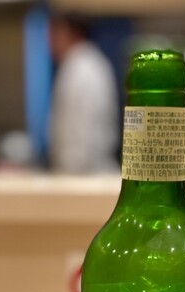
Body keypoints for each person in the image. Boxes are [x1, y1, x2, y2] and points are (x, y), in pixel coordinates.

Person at [48, 12, 119, 174]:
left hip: (86, 173)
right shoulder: (79, 63)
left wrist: (70, 174)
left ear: (69, 32)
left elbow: (83, 135)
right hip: (82, 171)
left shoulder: (83, 68)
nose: (49, 41)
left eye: (53, 33)